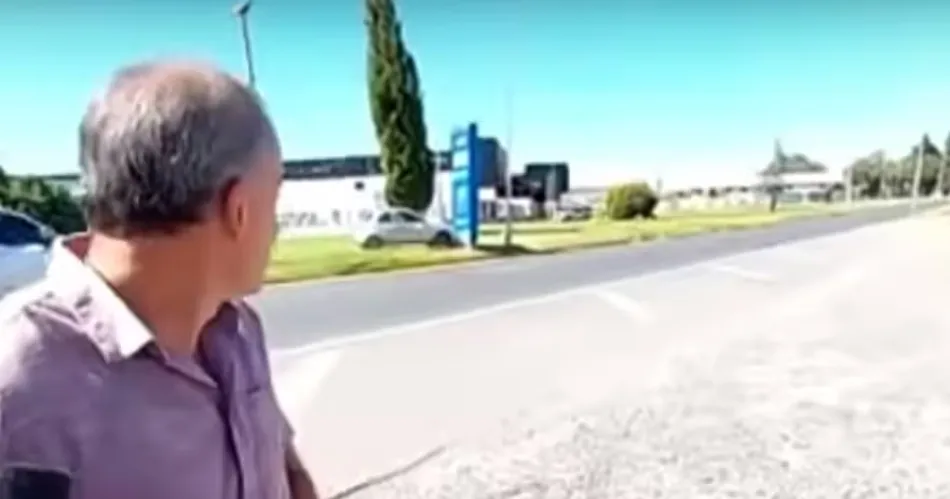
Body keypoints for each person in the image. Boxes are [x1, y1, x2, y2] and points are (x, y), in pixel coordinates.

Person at [0, 60, 319, 499]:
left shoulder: (239, 330)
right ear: (239, 209)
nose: (276, 225)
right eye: (275, 196)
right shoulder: (20, 379)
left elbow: (284, 468)